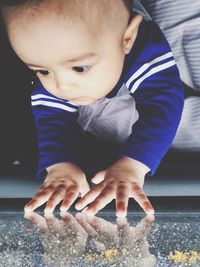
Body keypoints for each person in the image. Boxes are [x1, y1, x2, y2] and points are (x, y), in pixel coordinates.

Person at [0, 0, 184, 217]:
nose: (62, 86)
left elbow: (163, 104)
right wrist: (60, 164)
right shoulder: (55, 58)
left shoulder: (145, 48)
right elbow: (51, 117)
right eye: (42, 71)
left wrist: (133, 164)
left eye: (80, 68)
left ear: (127, 38)